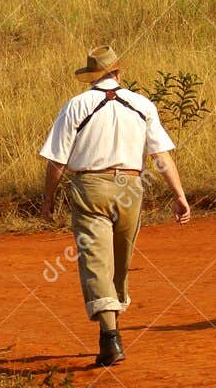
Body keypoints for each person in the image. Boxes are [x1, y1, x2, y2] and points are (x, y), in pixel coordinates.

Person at [39, 46, 191, 367]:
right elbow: (160, 157)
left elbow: (56, 161)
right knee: (120, 260)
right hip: (131, 188)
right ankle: (114, 324)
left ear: (92, 78)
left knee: (95, 259)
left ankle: (110, 338)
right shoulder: (142, 105)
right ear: (118, 74)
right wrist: (178, 195)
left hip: (89, 187)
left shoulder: (76, 106)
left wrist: (48, 199)